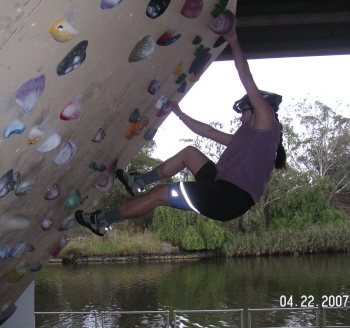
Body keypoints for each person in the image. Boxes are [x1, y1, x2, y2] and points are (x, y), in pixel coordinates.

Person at [75, 14, 287, 237]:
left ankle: (102, 220)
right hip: (221, 186)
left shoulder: (266, 120)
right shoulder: (248, 139)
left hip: (229, 197)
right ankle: (138, 181)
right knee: (189, 154)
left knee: (159, 194)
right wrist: (180, 114)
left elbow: (246, 76)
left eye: (243, 111)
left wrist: (233, 41)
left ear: (256, 108)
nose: (240, 117)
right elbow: (208, 132)